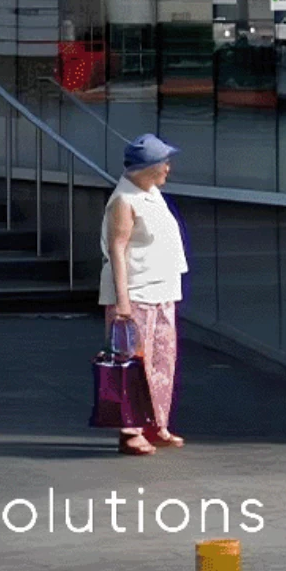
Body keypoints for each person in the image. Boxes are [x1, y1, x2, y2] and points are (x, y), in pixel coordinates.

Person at [99, 133, 188, 456]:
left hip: (161, 290)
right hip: (136, 293)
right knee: (133, 362)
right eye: (163, 162)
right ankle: (130, 430)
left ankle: (155, 423)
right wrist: (122, 299)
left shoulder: (150, 192)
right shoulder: (125, 199)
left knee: (162, 359)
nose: (168, 168)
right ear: (147, 167)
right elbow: (117, 249)